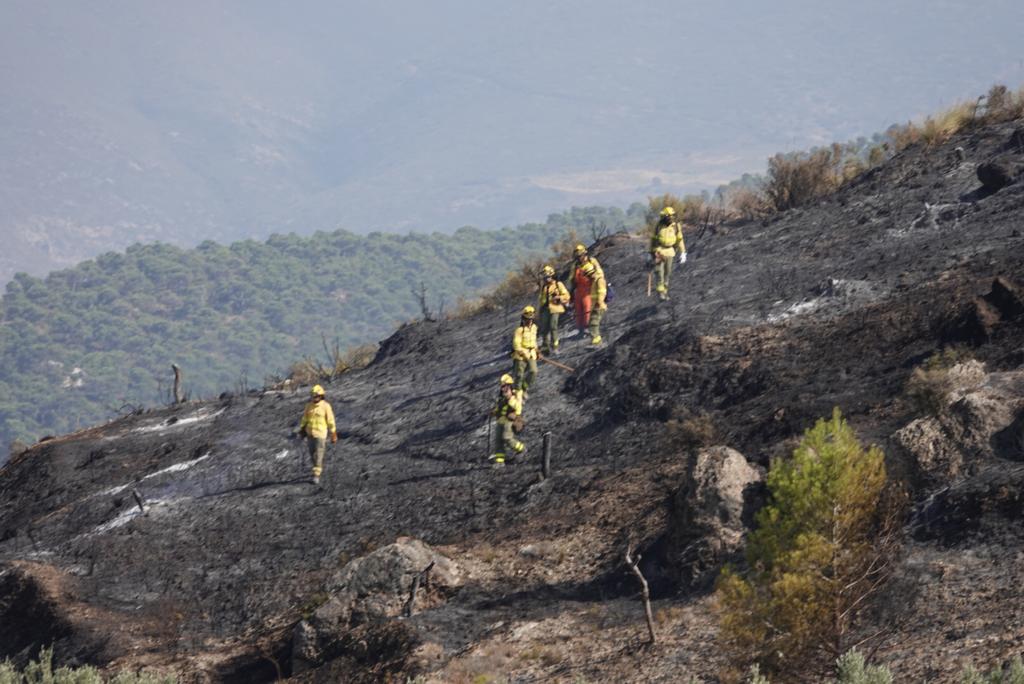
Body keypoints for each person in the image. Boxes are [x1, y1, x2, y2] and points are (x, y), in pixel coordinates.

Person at [567, 244, 607, 345]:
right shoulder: (575, 265)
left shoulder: (592, 261)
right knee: (579, 311)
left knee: (587, 310)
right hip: (579, 290)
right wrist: (571, 292)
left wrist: (592, 276)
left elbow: (599, 274)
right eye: (577, 257)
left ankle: (590, 331)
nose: (579, 258)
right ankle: (581, 331)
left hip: (589, 289)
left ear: (585, 254)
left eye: (580, 256)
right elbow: (571, 279)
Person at [297, 384, 337, 485]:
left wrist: (333, 433)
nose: (314, 398)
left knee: (319, 454)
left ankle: (316, 475)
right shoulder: (308, 406)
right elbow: (305, 418)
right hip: (310, 433)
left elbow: (330, 420)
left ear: (321, 396)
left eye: (316, 396)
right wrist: (302, 429)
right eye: (313, 396)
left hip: (320, 434)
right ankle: (316, 469)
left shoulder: (326, 407)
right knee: (312, 454)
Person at [649, 206, 687, 301]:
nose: (670, 218)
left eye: (671, 216)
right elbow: (653, 240)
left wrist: (683, 253)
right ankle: (660, 293)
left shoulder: (676, 226)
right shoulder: (658, 226)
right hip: (659, 251)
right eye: (668, 217)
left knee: (667, 273)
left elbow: (679, 240)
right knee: (659, 272)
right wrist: (650, 252)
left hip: (670, 252)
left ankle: (665, 292)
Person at [489, 374, 524, 466]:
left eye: (505, 386)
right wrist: (494, 412)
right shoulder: (501, 398)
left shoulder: (515, 397)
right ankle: (500, 461)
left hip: (509, 421)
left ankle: (521, 449)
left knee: (507, 438)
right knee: (498, 441)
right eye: (502, 386)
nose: (503, 389)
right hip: (500, 421)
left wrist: (510, 398)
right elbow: (499, 407)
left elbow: (517, 407)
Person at [537, 265, 570, 355]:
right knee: (544, 329)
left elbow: (566, 295)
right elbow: (541, 299)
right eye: (545, 277)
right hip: (545, 310)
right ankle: (545, 348)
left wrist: (559, 298)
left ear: (552, 276)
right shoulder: (544, 287)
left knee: (553, 327)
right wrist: (539, 311)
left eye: (548, 277)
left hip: (555, 308)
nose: (546, 279)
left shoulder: (558, 285)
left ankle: (555, 347)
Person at [511, 305, 539, 396]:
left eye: (531, 319)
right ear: (523, 319)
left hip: (531, 354)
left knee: (533, 371)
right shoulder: (519, 330)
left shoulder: (534, 328)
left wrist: (537, 350)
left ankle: (524, 387)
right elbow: (516, 344)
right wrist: (522, 352)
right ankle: (517, 394)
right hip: (520, 356)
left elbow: (534, 341)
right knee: (519, 376)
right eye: (527, 319)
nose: (529, 321)